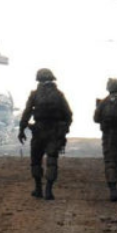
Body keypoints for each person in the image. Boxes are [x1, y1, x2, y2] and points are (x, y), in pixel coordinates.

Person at [18, 68, 73, 200]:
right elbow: (68, 114)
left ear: (39, 79)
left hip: (39, 130)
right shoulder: (59, 95)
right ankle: (48, 189)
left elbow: (27, 112)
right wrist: (64, 130)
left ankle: (38, 188)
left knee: (36, 160)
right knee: (52, 160)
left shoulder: (35, 94)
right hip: (54, 131)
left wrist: (22, 129)